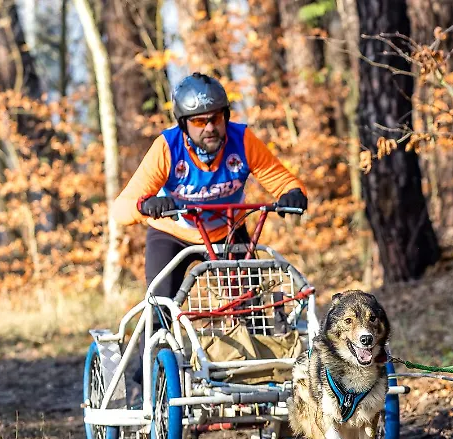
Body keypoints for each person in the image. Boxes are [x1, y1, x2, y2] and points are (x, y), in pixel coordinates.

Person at [112, 72, 308, 386]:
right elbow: (120, 209)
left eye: (215, 119)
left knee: (250, 305)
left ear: (225, 117)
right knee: (160, 302)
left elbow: (283, 180)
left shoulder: (242, 140)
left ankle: (259, 376)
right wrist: (145, 205)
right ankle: (152, 371)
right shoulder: (167, 148)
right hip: (172, 232)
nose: (210, 128)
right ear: (184, 124)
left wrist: (292, 194)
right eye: (199, 121)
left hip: (227, 231)